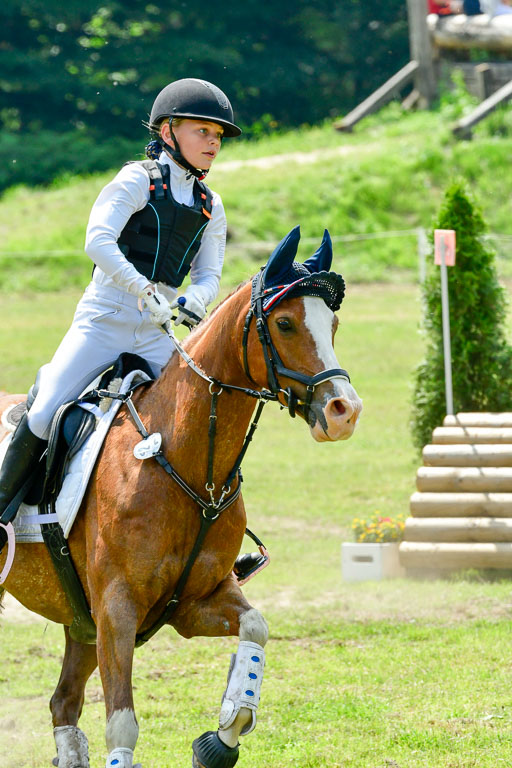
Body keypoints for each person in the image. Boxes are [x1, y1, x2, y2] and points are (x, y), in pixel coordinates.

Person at [0, 78, 241, 550]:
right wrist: (141, 288)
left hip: (156, 330)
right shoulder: (137, 179)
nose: (213, 142)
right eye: (202, 131)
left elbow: (210, 273)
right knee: (47, 407)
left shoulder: (212, 205)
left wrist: (196, 299)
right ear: (168, 130)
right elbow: (98, 240)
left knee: (202, 413)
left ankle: (214, 541)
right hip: (104, 318)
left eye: (218, 135)